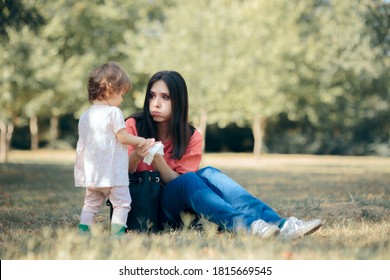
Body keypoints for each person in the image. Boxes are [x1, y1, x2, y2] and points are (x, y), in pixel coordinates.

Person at [125, 70, 323, 240]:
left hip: (174, 204)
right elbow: (121, 171)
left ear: (179, 102)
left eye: (165, 97)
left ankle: (282, 225)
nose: (156, 104)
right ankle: (248, 226)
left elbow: (177, 182)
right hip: (146, 209)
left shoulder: (190, 136)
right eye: (152, 96)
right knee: (190, 180)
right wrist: (136, 155)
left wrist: (159, 161)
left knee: (209, 173)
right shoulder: (133, 126)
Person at [74, 62, 155, 238]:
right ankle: (117, 236)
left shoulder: (86, 115)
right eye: (122, 94)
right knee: (121, 204)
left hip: (93, 174)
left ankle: (83, 233)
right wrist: (141, 141)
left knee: (90, 204)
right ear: (110, 90)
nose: (122, 99)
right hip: (113, 174)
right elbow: (123, 137)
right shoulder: (114, 113)